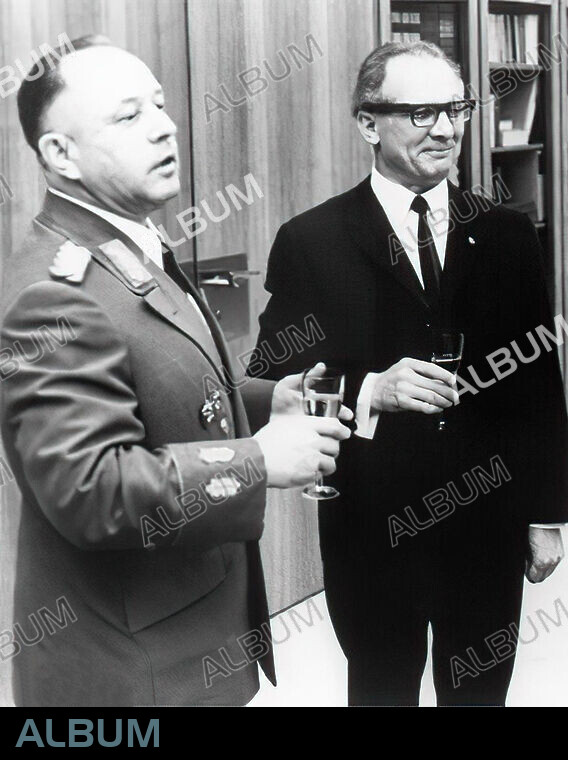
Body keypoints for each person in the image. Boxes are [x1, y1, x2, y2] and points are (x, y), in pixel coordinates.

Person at [1, 36, 351, 706]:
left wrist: (268, 399)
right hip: (132, 675)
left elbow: (170, 390)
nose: (165, 127)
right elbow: (90, 489)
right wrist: (257, 460)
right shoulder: (55, 290)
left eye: (160, 106)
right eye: (128, 116)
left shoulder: (128, 243)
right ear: (60, 154)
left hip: (190, 639)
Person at [248, 41, 568, 706]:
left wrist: (546, 515)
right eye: (422, 112)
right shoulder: (313, 241)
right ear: (368, 123)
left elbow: (537, 385)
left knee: (481, 691)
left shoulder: (508, 234)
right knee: (381, 688)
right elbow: (273, 383)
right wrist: (371, 390)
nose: (447, 128)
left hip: (489, 516)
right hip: (372, 524)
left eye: (457, 109)